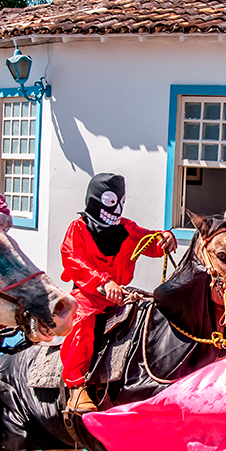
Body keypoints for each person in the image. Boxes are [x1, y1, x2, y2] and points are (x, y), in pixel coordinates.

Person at [59, 173, 177, 414]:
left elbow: (149, 242)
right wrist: (104, 281)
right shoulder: (78, 228)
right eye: (109, 201)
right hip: (88, 295)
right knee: (83, 322)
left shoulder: (126, 228)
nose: (116, 208)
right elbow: (73, 260)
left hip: (122, 296)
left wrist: (165, 237)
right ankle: (76, 387)